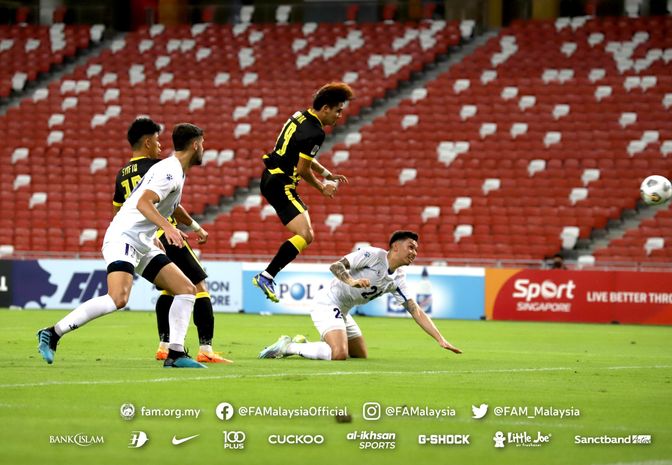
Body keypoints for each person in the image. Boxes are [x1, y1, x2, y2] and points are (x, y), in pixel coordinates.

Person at [36, 123, 208, 368]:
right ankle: (52, 332)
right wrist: (168, 228)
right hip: (123, 238)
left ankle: (176, 354)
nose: (204, 149)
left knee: (186, 289)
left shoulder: (176, 170)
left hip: (143, 241)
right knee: (118, 298)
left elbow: (170, 205)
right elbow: (144, 204)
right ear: (195, 144)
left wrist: (195, 227)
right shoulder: (169, 170)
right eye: (203, 144)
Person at [113, 117, 231, 364]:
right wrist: (184, 228)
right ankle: (204, 349)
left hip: (139, 235)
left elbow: (120, 212)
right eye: (156, 140)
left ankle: (165, 345)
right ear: (146, 142)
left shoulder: (122, 174)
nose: (159, 145)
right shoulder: (161, 168)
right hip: (166, 233)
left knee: (172, 288)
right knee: (198, 286)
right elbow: (165, 205)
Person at [258, 231, 462, 360]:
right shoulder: (373, 255)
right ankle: (289, 347)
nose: (414, 252)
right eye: (411, 247)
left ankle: (307, 345)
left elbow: (415, 310)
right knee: (338, 354)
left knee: (360, 354)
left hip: (344, 311)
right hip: (327, 303)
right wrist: (351, 281)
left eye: (416, 249)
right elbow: (336, 266)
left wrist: (440, 339)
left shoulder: (398, 277)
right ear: (395, 247)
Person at [252, 82, 354, 303]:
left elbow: (301, 155)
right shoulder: (316, 132)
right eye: (337, 110)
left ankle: (267, 275)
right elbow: (302, 169)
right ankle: (266, 276)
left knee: (305, 234)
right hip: (282, 183)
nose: (339, 116)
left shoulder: (300, 116)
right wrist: (322, 187)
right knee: (306, 235)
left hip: (269, 177)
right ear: (325, 108)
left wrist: (327, 173)